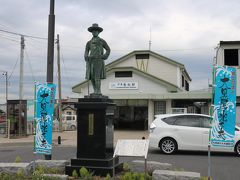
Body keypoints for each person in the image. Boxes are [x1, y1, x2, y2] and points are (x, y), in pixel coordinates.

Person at [84, 23, 110, 95]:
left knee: (97, 76)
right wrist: (86, 56)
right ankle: (95, 89)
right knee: (91, 76)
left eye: (96, 31)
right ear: (92, 32)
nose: (94, 32)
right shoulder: (89, 42)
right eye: (93, 31)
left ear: (98, 32)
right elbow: (86, 51)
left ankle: (98, 91)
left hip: (98, 60)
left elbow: (108, 49)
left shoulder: (102, 41)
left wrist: (104, 55)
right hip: (90, 60)